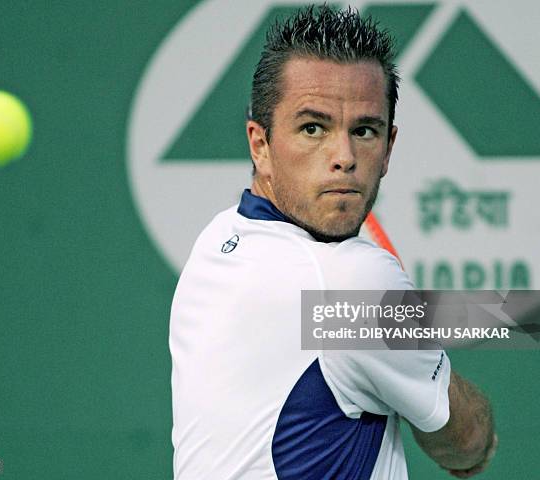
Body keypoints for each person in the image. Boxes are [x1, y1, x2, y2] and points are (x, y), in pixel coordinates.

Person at [170, 5, 497, 479]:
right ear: (259, 145)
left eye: (364, 130)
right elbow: (467, 444)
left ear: (388, 147)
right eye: (313, 128)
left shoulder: (217, 242)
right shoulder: (353, 282)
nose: (343, 157)